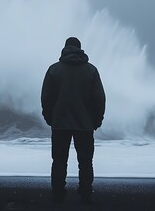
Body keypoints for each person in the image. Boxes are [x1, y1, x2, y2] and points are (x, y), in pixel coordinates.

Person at [41, 37, 106, 204]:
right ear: (80, 49)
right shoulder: (91, 70)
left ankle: (58, 194)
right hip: (85, 125)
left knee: (59, 161)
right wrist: (96, 121)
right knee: (85, 161)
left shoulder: (54, 70)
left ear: (65, 48)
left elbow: (46, 98)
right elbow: (99, 98)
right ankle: (85, 194)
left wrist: (50, 118)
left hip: (60, 124)